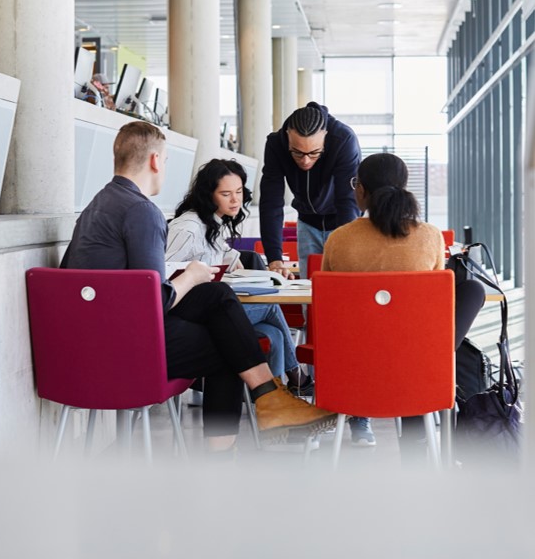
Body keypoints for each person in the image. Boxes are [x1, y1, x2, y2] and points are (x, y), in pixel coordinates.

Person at [60, 121, 336, 454]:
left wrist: (193, 281)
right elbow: (152, 304)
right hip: (124, 347)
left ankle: (271, 400)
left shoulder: (96, 206)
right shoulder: (141, 211)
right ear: (155, 161)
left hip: (85, 342)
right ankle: (239, 438)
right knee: (227, 348)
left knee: (215, 294)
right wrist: (189, 276)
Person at [321, 152, 486, 454]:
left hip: (353, 364)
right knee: (470, 292)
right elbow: (431, 302)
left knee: (401, 336)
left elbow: (329, 305)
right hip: (414, 366)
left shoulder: (339, 239)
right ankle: (420, 430)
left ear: (361, 190)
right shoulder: (430, 237)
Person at [165, 158, 313, 395]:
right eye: (226, 194)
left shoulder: (211, 223)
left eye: (238, 192)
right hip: (188, 318)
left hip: (209, 311)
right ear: (209, 194)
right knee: (271, 307)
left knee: (273, 333)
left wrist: (271, 273)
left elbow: (233, 258)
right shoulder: (188, 228)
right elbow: (164, 277)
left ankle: (272, 400)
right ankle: (297, 378)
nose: (235, 200)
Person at [259, 101, 362, 279]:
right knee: (309, 290)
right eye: (297, 153)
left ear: (325, 136)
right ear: (287, 135)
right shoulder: (276, 144)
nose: (306, 161)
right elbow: (271, 201)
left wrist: (348, 247)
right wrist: (274, 258)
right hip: (307, 222)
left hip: (340, 221)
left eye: (314, 153)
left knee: (343, 287)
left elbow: (347, 199)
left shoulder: (343, 139)